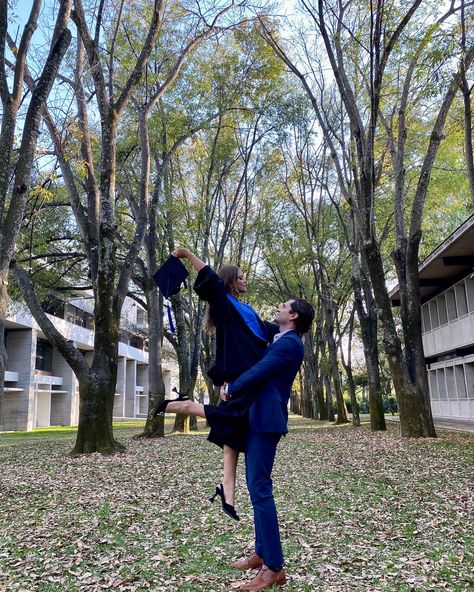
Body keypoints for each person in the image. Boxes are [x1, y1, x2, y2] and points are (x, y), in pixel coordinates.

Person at [159, 297, 315, 591]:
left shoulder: (291, 343)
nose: (278, 307)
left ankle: (274, 568)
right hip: (256, 417)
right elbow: (247, 323)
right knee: (255, 486)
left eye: (283, 305)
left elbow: (260, 370)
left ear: (293, 315)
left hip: (266, 421)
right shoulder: (282, 337)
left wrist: (231, 387)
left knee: (260, 490)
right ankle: (262, 552)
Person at [161, 247, 278, 520]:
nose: (245, 280)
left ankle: (227, 489)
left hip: (251, 378)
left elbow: (266, 330)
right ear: (230, 282)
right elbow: (209, 278)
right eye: (241, 277)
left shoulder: (246, 309)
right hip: (240, 379)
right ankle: (182, 406)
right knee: (231, 422)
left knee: (234, 430)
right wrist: (187, 254)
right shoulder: (224, 304)